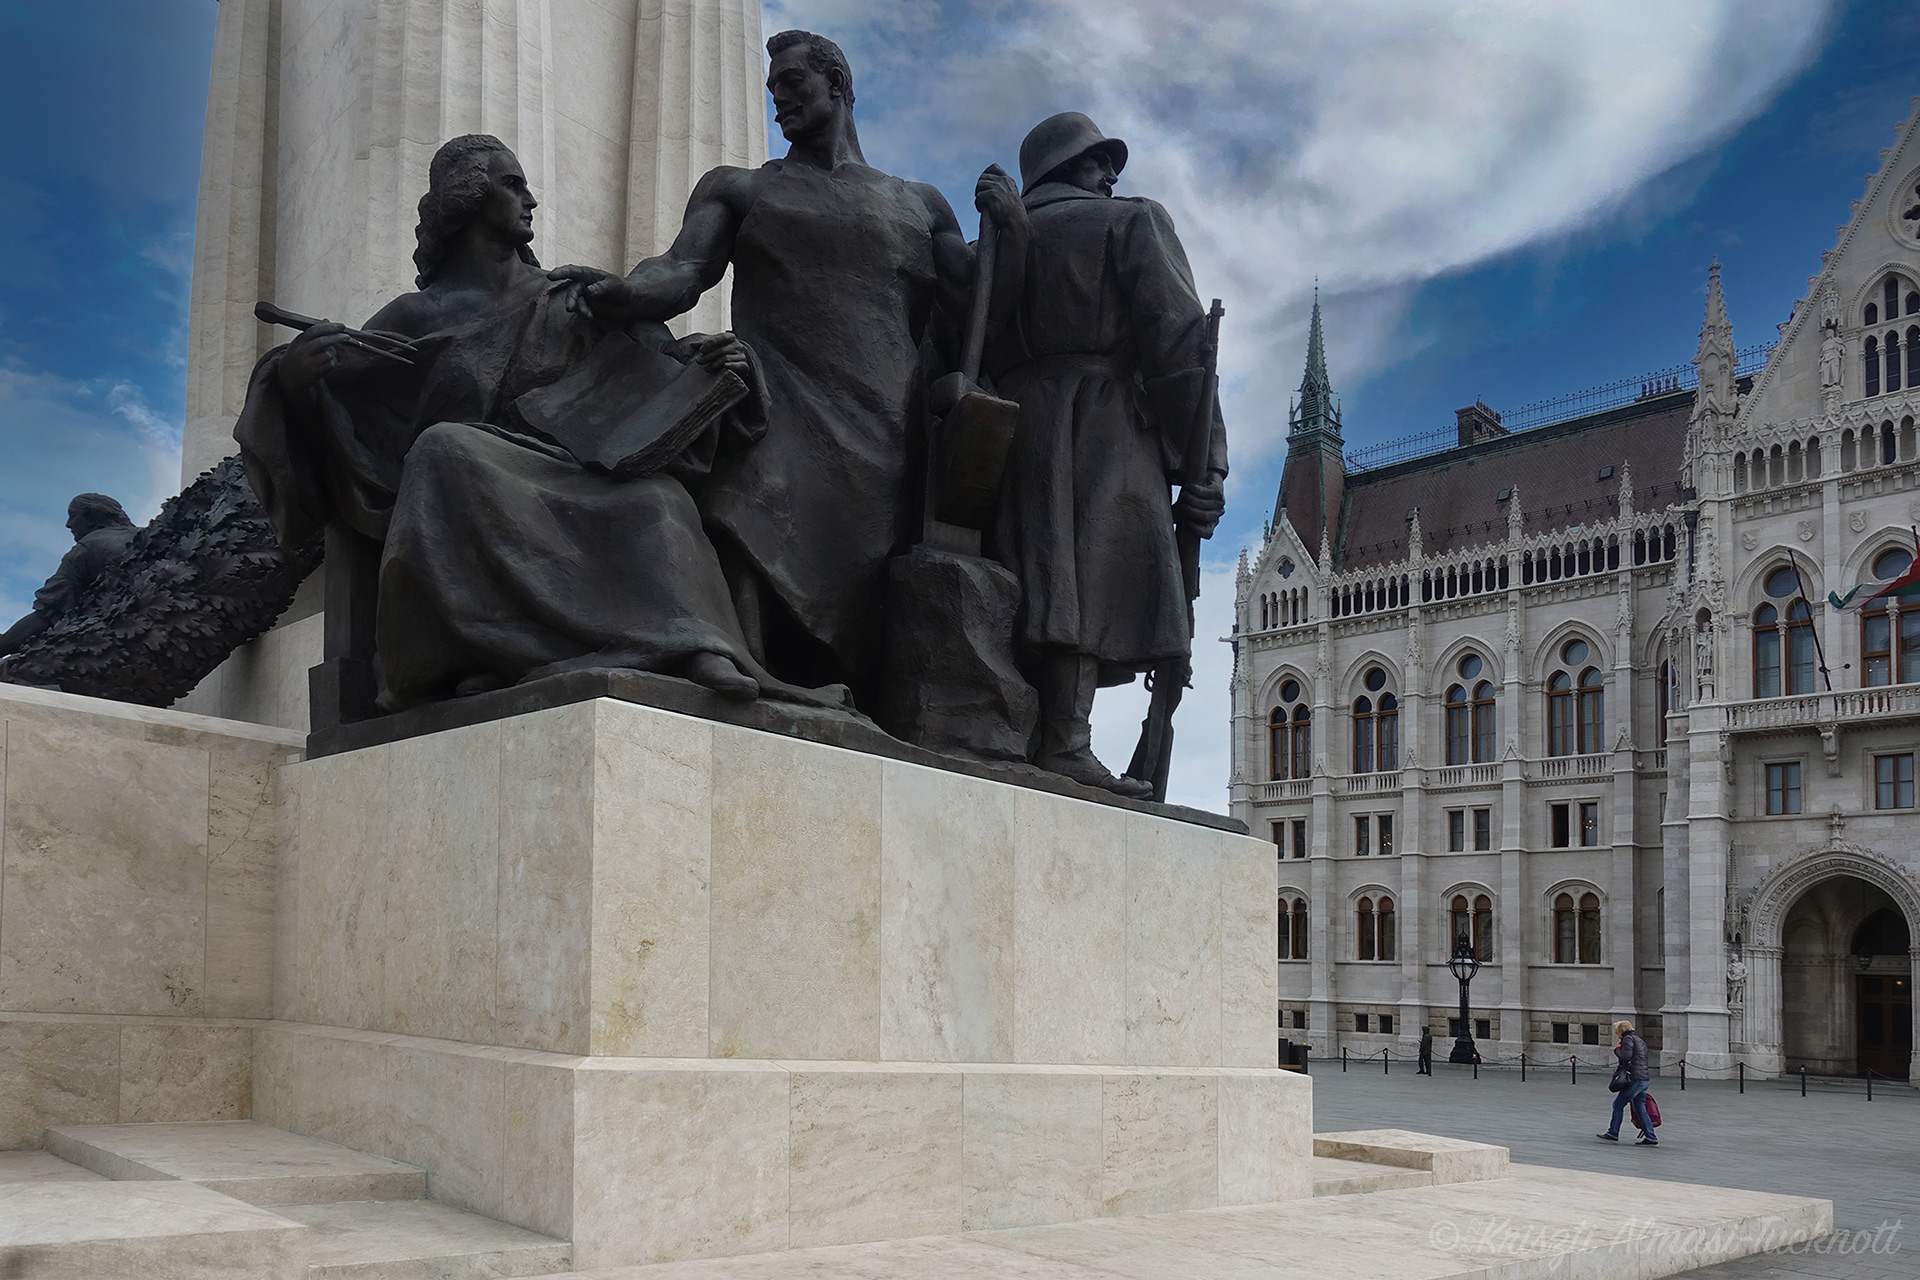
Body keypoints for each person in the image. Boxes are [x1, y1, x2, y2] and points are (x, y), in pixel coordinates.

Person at [236, 133, 831, 712]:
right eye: (513, 184)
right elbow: (345, 428)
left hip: (579, 471)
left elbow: (657, 368)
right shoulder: (414, 316)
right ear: (469, 198)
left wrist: (713, 363)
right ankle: (488, 652)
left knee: (659, 500)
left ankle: (696, 647)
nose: (531, 199)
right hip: (473, 478)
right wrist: (295, 381)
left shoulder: (570, 296)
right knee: (443, 449)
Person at [550, 30, 996, 706]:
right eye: (773, 88)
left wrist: (1009, 232)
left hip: (884, 417)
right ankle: (746, 669)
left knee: (861, 569)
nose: (779, 98)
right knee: (745, 505)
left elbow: (974, 305)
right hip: (776, 395)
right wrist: (625, 293)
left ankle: (823, 685)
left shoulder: (919, 203)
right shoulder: (740, 189)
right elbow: (681, 270)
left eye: (793, 82)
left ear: (837, 84)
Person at [982, 112, 1228, 797]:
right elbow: (1179, 349)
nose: (1111, 175)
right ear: (1066, 168)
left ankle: (1026, 731)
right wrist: (1205, 464)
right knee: (1085, 576)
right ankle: (1066, 739)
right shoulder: (1131, 222)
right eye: (1097, 161)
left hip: (1008, 421)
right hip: (1104, 420)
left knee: (1036, 576)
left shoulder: (994, 239)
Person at [0, 494, 137, 659]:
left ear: (92, 518)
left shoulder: (87, 548)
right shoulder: (151, 536)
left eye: (73, 516)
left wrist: (4, 645)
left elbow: (48, 614)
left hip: (112, 651)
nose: (68, 524)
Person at [1598, 1019, 1657, 1146]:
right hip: (1644, 1078)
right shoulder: (1639, 1040)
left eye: (1617, 1031)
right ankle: (1651, 1136)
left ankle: (1613, 1132)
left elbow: (1626, 1056)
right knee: (1640, 1108)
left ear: (1621, 1031)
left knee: (1618, 1104)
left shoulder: (1627, 1039)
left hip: (1635, 1079)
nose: (1616, 1033)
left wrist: (1617, 1050)